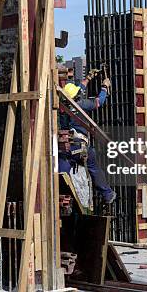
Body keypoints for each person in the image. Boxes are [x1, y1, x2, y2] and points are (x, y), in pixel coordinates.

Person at [58, 76, 116, 204]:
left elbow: (79, 89)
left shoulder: (61, 108)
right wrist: (105, 87)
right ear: (77, 96)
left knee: (62, 174)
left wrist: (87, 79)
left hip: (67, 148)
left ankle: (62, 193)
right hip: (81, 147)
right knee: (94, 168)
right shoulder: (82, 105)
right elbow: (99, 102)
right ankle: (107, 194)